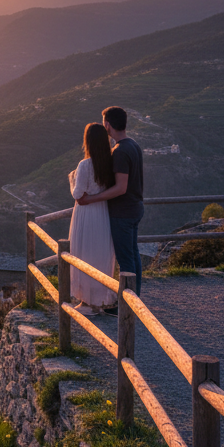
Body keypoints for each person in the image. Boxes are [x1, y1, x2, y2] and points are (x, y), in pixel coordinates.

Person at [76, 105, 145, 308]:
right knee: (133, 255)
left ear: (107, 124)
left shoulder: (121, 151)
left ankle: (127, 306)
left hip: (123, 212)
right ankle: (136, 298)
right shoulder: (133, 145)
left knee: (125, 260)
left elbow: (120, 188)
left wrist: (92, 198)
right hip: (135, 208)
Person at [68, 123, 117, 311]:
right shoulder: (110, 163)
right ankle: (99, 301)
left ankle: (86, 302)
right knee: (100, 255)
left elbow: (78, 194)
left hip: (86, 214)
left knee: (83, 253)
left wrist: (72, 179)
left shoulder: (85, 164)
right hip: (103, 213)